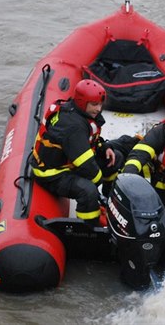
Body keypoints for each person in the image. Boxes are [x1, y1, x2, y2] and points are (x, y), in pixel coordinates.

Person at [29, 79, 124, 226]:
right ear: (81, 102)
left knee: (114, 158)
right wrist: (97, 186)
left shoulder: (81, 113)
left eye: (100, 104)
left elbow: (91, 139)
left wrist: (104, 147)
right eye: (94, 104)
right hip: (52, 174)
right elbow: (86, 165)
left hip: (68, 162)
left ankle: (110, 197)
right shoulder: (73, 127)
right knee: (88, 191)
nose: (98, 109)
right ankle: (89, 226)